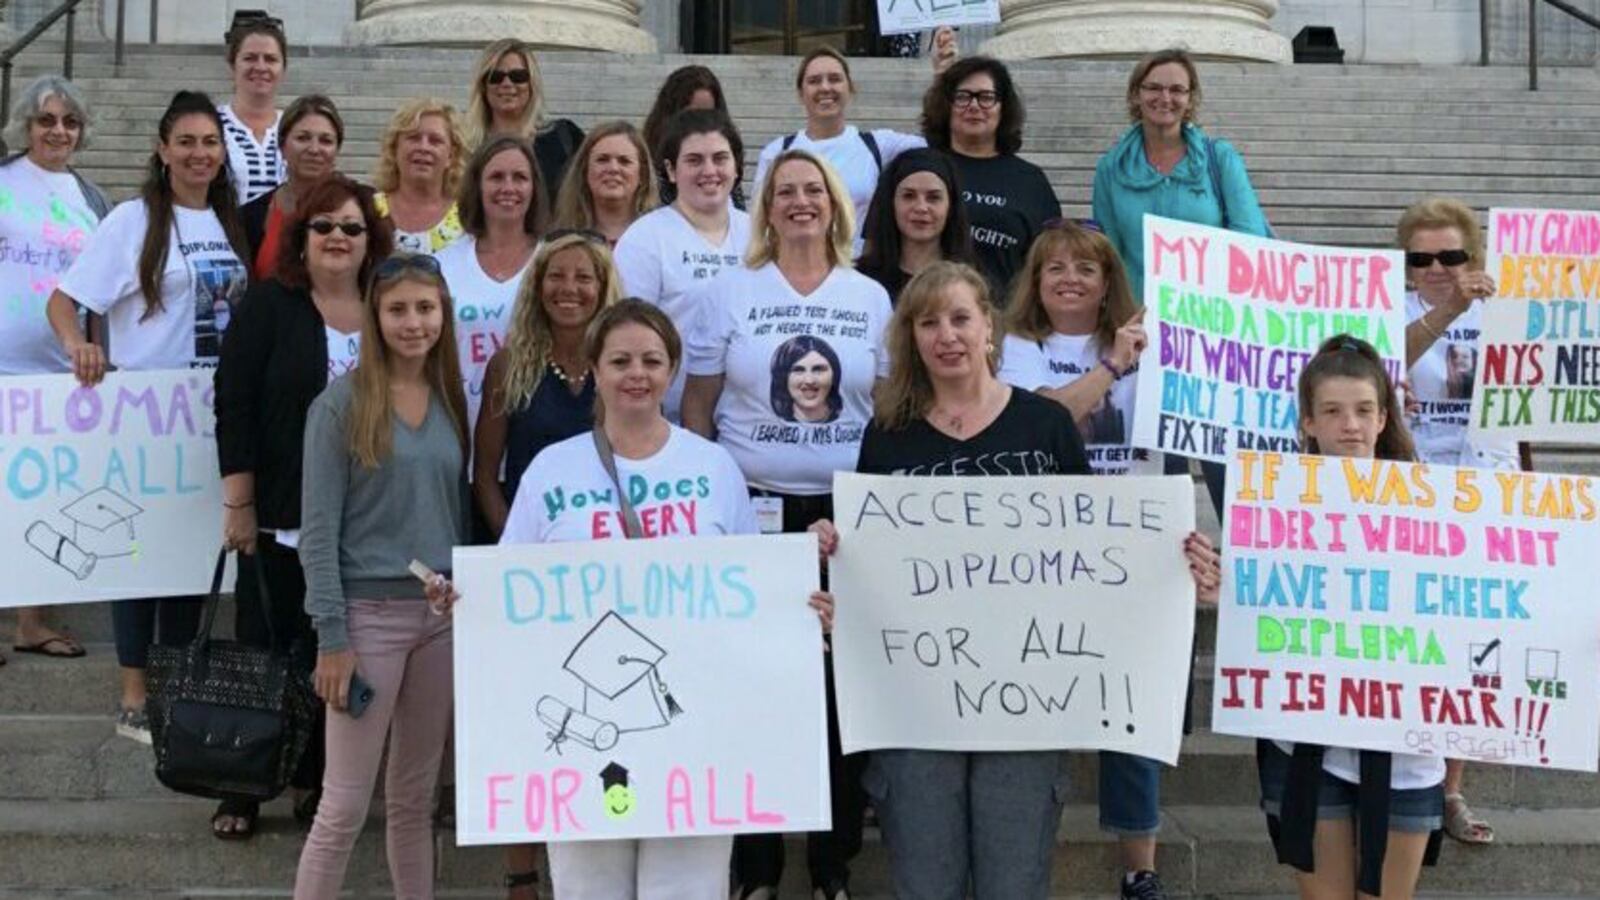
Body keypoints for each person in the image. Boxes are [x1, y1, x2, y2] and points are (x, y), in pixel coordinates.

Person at [804, 261, 1219, 900]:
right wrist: (834, 552)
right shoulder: (888, 437)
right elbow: (870, 561)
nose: (947, 335)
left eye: (960, 318)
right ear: (910, 338)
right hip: (916, 706)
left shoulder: (1044, 426)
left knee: (1013, 885)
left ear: (989, 328)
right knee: (925, 884)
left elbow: (1097, 548)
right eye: (928, 321)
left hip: (1027, 707)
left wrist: (1174, 558)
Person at [682, 149, 892, 900]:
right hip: (754, 508)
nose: (801, 202)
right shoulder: (731, 292)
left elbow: (889, 411)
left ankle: (831, 861)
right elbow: (699, 406)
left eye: (814, 191)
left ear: (836, 206)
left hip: (846, 519)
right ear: (765, 209)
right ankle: (757, 864)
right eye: (785, 192)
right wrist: (713, 505)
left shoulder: (869, 297)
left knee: (838, 695)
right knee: (755, 685)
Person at [505, 299, 765, 898]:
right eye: (620, 360)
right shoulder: (552, 469)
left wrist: (800, 610)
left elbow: (752, 590)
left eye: (651, 360)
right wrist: (461, 601)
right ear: (595, 369)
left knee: (688, 889)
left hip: (693, 729)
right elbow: (509, 584)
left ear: (672, 370)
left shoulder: (714, 467)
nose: (636, 374)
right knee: (589, 887)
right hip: (586, 732)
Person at [45, 90, 249, 743]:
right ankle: (134, 691)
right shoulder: (133, 221)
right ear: (162, 150)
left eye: (210, 142)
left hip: (211, 418)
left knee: (190, 556)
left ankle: (177, 683)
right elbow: (64, 300)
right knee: (134, 554)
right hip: (143, 416)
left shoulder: (230, 223)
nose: (199, 154)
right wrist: (80, 346)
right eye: (185, 141)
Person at [998, 222, 1177, 899]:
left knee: (1133, 707)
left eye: (1086, 267)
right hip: (1042, 548)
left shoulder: (1152, 346)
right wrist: (1111, 368)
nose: (1070, 278)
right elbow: (1043, 421)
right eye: (1055, 268)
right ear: (1035, 284)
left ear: (1109, 283)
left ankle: (1141, 866)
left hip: (1133, 543)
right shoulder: (1018, 346)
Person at [213, 174, 393, 840]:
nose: (338, 238)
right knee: (265, 651)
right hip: (281, 515)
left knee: (334, 654)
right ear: (301, 236)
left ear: (369, 237)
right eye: (324, 226)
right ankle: (242, 787)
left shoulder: (387, 304)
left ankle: (315, 779)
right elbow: (233, 403)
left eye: (351, 227)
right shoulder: (269, 306)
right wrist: (239, 502)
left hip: (364, 523)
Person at [293, 251, 470, 898]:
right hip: (366, 625)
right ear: (375, 316)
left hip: (438, 622)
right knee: (342, 805)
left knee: (414, 799)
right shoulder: (340, 407)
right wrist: (331, 638)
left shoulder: (449, 398)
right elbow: (319, 531)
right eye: (398, 309)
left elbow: (451, 512)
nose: (414, 322)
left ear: (443, 314)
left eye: (426, 308)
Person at [1260, 335, 1443, 900]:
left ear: (1385, 417)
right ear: (1309, 422)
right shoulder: (1272, 504)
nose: (1351, 426)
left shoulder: (1437, 504)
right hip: (1308, 740)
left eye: (1365, 410)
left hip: (1407, 747)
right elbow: (1257, 602)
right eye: (1334, 412)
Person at [1396, 197, 1510, 847]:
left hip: (1486, 495)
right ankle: (1407, 780)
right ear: (1407, 267)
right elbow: (1379, 363)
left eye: (1451, 255)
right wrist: (1448, 311)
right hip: (1411, 494)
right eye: (1422, 258)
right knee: (1416, 641)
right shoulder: (1390, 314)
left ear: (1475, 255)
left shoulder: (1509, 312)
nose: (1437, 267)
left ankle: (1450, 788)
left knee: (1472, 648)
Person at [0, 74, 109, 666]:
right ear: (26, 126)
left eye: (69, 122)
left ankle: (32, 621)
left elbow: (100, 290)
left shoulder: (92, 200)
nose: (58, 131)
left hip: (60, 376)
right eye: (47, 120)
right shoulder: (3, 182)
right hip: (1, 366)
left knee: (44, 498)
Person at [1091, 48, 1269, 304]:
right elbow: (1109, 253)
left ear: (1190, 99)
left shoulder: (1220, 159)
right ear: (1135, 95)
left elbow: (1250, 241)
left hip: (1207, 319)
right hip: (1139, 320)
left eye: (1177, 89)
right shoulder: (1110, 169)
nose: (1165, 98)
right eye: (1153, 87)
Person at [474, 232, 621, 540]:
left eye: (584, 277)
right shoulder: (507, 367)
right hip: (530, 550)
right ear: (538, 285)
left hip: (609, 549)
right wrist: (517, 546)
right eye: (556, 276)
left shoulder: (623, 368)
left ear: (603, 287)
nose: (568, 288)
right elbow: (485, 478)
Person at [613, 108, 750, 421]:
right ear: (671, 170)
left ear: (736, 166)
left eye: (720, 158)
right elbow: (629, 334)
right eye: (694, 160)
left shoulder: (761, 234)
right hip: (669, 418)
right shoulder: (646, 238)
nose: (709, 170)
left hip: (749, 421)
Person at [752, 47, 928, 252]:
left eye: (834, 79)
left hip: (858, 270)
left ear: (850, 88)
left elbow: (940, 140)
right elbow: (760, 221)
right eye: (814, 81)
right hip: (795, 269)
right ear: (801, 93)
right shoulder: (777, 152)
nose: (825, 87)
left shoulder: (878, 146)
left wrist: (943, 72)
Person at [435, 136, 546, 447]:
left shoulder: (553, 262)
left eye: (520, 177)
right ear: (477, 186)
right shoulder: (442, 265)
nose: (508, 187)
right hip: (458, 432)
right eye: (496, 177)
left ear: (534, 187)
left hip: (535, 434)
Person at [920, 55, 1059, 300]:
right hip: (928, 311)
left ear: (1002, 108)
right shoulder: (921, 168)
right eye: (963, 97)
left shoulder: (1030, 181)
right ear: (947, 105)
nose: (974, 106)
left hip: (1004, 320)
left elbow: (1048, 259)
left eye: (986, 97)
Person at [464, 38, 585, 201]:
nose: (506, 83)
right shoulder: (466, 148)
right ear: (483, 86)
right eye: (495, 77)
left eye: (518, 76)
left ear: (531, 83)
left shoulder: (565, 138)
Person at [241, 94, 346, 279]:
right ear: (282, 145)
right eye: (303, 138)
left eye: (326, 141)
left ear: (337, 149)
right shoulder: (248, 217)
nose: (314, 149)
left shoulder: (359, 210)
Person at [856, 147, 975, 304]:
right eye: (909, 196)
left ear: (951, 206)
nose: (921, 207)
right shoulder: (860, 282)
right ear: (891, 204)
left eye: (933, 197)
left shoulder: (970, 284)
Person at [373, 98, 468, 254]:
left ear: (451, 156)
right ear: (394, 149)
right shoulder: (369, 210)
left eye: (435, 141)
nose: (424, 147)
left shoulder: (468, 218)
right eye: (414, 138)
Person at [640, 64, 739, 208]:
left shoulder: (724, 166)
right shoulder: (645, 163)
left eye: (707, 114)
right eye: (690, 115)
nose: (699, 123)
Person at [218, 11, 288, 205]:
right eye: (250, 58)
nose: (260, 67)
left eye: (271, 59)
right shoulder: (211, 124)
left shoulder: (295, 126)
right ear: (233, 65)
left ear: (283, 68)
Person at [551, 121, 656, 245]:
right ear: (585, 170)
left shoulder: (661, 237)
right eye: (602, 160)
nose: (613, 168)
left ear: (642, 174)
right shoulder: (558, 241)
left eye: (624, 161)